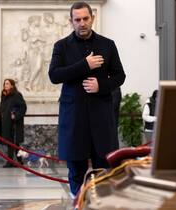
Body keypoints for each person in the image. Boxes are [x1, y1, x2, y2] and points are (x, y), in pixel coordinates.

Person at [48, 2, 126, 196]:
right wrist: (85, 65)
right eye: (77, 20)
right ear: (71, 21)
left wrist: (102, 86)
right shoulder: (62, 46)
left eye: (85, 18)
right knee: (76, 170)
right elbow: (54, 75)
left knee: (103, 168)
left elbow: (120, 76)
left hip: (101, 115)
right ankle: (79, 203)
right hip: (74, 117)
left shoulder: (107, 44)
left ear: (92, 18)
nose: (82, 23)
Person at [0, 79, 27, 168]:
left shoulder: (16, 95)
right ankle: (19, 162)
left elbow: (23, 107)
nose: (5, 85)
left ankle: (11, 162)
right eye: (4, 83)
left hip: (13, 124)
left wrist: (15, 116)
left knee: (12, 143)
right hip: (6, 123)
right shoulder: (4, 96)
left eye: (7, 83)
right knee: (13, 143)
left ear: (12, 85)